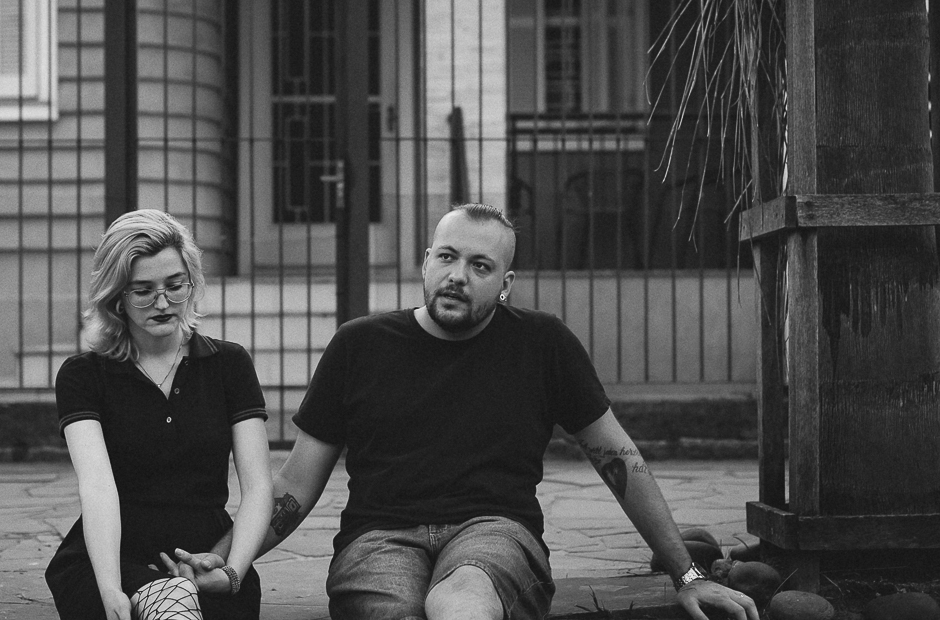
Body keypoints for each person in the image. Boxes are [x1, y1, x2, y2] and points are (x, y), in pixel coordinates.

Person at [169, 203, 760, 620]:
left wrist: (688, 575)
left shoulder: (542, 344)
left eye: (480, 266)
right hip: (379, 538)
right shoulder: (360, 345)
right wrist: (226, 559)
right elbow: (295, 486)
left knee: (459, 604)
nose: (458, 276)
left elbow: (619, 461)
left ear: (505, 282)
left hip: (495, 531)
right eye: (447, 257)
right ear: (426, 261)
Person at [45, 209, 272, 620]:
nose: (163, 302)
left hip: (207, 558)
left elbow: (257, 487)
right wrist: (111, 588)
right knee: (170, 603)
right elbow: (97, 487)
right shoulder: (84, 376)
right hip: (112, 557)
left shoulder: (229, 365)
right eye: (143, 290)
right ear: (116, 296)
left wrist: (234, 572)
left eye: (175, 285)